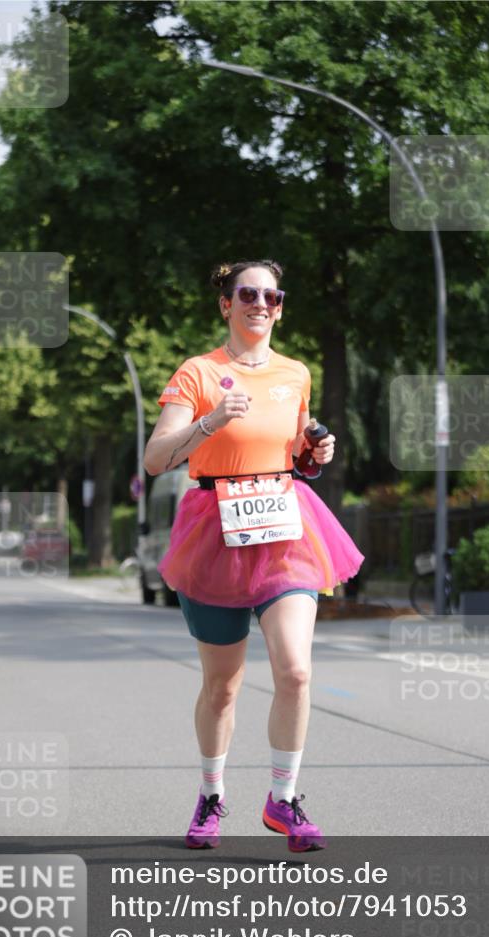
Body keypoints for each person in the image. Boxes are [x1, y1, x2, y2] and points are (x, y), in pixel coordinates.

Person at [144, 259, 364, 852]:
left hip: (284, 526)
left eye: (271, 295)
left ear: (279, 306)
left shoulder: (296, 373)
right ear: (227, 304)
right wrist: (211, 421)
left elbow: (295, 453)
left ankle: (284, 799)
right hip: (214, 531)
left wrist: (316, 452)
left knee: (295, 669)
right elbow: (156, 458)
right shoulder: (197, 373)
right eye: (248, 293)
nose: (260, 303)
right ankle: (212, 795)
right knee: (223, 686)